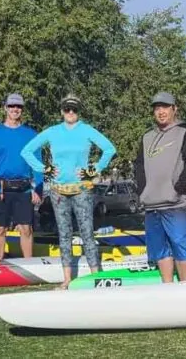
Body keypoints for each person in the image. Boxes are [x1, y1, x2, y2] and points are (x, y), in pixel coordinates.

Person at [20, 93, 115, 290]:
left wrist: (93, 170)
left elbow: (109, 149)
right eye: (67, 109)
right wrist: (43, 168)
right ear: (62, 111)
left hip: (81, 190)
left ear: (79, 112)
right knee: (64, 234)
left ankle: (96, 277)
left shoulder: (86, 130)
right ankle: (67, 279)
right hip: (58, 191)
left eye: (74, 109)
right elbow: (27, 151)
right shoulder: (52, 131)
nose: (71, 113)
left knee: (87, 233)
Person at [134, 91, 186, 283]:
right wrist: (142, 189)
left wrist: (180, 187)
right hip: (152, 203)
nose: (161, 111)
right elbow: (138, 165)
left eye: (165, 107)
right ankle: (167, 287)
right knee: (159, 248)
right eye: (157, 108)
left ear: (174, 109)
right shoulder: (147, 137)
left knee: (180, 245)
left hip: (175, 202)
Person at [0, 93, 43, 261]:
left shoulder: (31, 135)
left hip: (23, 188)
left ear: (22, 110)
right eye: (11, 106)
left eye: (18, 107)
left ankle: (29, 266)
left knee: (26, 229)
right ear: (5, 108)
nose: (15, 109)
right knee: (0, 229)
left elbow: (37, 164)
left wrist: (39, 188)